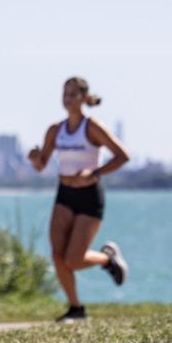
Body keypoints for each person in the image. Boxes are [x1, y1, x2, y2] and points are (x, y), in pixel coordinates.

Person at [27, 76, 130, 322]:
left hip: (89, 196)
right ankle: (76, 308)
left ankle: (107, 258)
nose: (68, 98)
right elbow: (42, 165)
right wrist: (35, 159)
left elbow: (122, 155)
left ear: (84, 98)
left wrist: (95, 173)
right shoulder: (55, 130)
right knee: (57, 255)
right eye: (65, 93)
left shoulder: (92, 126)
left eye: (73, 94)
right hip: (64, 194)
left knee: (73, 259)